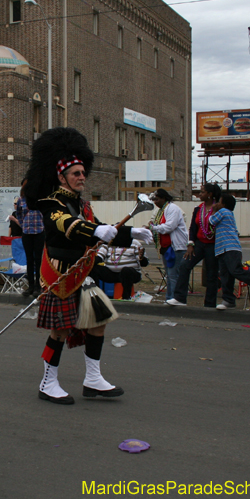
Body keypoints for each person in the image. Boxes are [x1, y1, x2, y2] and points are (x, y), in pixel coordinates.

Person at [23, 127, 153, 405]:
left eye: (83, 173)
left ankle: (93, 379)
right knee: (60, 330)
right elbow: (65, 225)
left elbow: (102, 228)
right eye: (76, 174)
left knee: (98, 322)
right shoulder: (51, 202)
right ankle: (48, 382)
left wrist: (132, 234)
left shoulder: (84, 206)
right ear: (62, 177)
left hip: (84, 271)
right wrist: (94, 231)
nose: (82, 177)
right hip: (61, 273)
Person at [210, 193, 250, 310]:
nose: (217, 204)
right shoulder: (228, 214)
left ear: (224, 205)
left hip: (230, 247)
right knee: (226, 275)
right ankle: (228, 300)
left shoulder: (223, 212)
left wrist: (213, 210)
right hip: (222, 248)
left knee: (235, 270)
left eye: (219, 202)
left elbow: (211, 221)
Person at [167, 183, 222, 308]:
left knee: (211, 275)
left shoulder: (218, 209)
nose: (199, 194)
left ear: (210, 194)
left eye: (202, 192)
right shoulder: (198, 209)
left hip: (213, 245)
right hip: (198, 244)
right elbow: (192, 228)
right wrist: (190, 243)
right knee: (184, 265)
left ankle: (210, 304)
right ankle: (180, 298)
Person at [148, 188, 189, 302]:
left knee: (173, 275)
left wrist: (154, 228)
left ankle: (176, 298)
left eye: (156, 199)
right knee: (170, 275)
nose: (155, 202)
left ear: (163, 198)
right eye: (153, 200)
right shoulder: (161, 210)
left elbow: (169, 227)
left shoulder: (173, 209)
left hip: (175, 247)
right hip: (165, 247)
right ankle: (170, 297)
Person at [16, 180, 45, 297]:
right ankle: (30, 287)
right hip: (27, 232)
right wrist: (23, 225)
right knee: (29, 259)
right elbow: (18, 214)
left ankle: (39, 286)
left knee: (38, 259)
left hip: (39, 231)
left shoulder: (41, 199)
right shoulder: (21, 200)